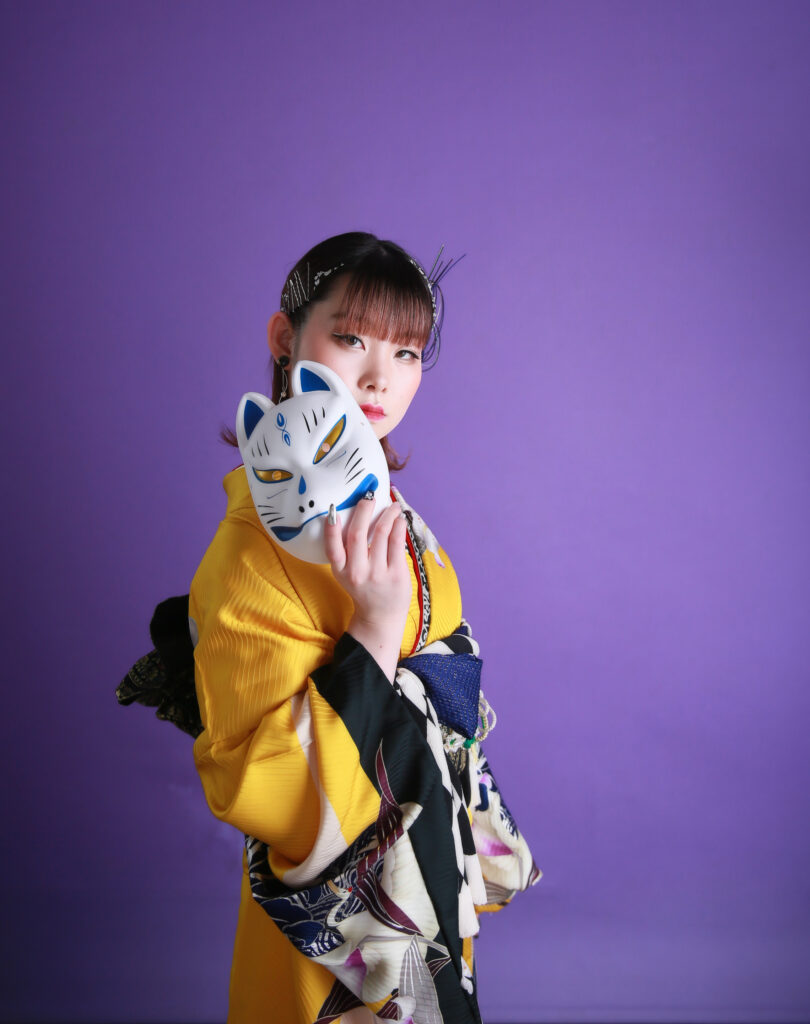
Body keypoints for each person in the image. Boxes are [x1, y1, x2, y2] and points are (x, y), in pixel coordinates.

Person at [146, 232, 539, 1022]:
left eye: (407, 352)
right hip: (338, 918)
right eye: (352, 338)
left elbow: (443, 671)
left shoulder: (385, 506)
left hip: (420, 862)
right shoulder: (249, 556)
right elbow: (259, 779)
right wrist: (373, 635)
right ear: (285, 338)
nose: (379, 377)